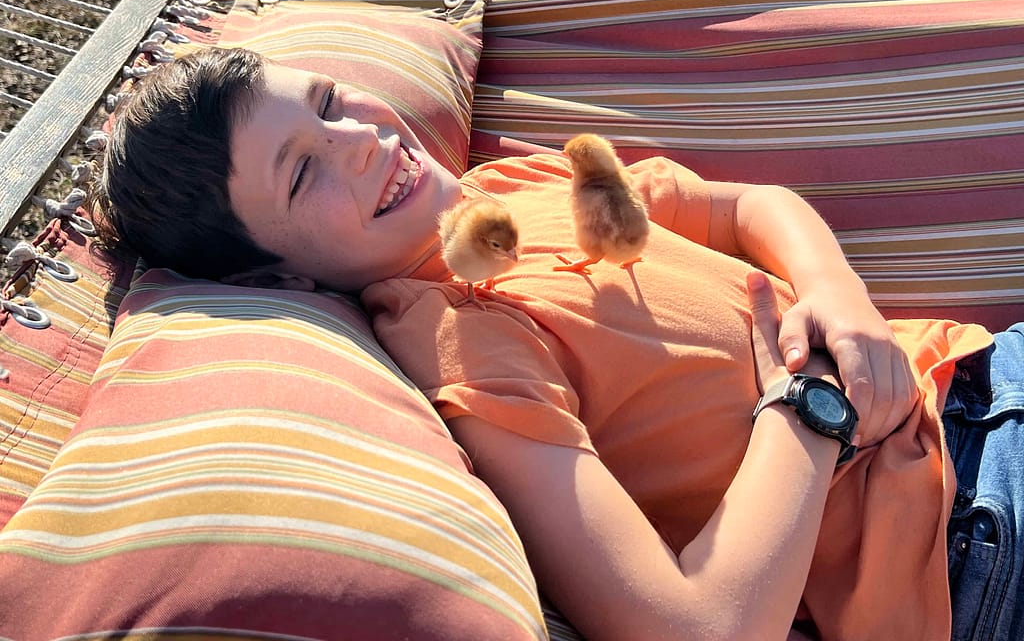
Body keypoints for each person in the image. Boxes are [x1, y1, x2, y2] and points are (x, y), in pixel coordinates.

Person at [95, 46, 1015, 641]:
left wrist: (838, 300)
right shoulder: (459, 342)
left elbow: (745, 206)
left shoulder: (516, 179)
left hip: (972, 366)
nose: (361, 142)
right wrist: (814, 407)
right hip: (958, 529)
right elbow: (696, 629)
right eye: (304, 172)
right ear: (279, 278)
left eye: (331, 102)